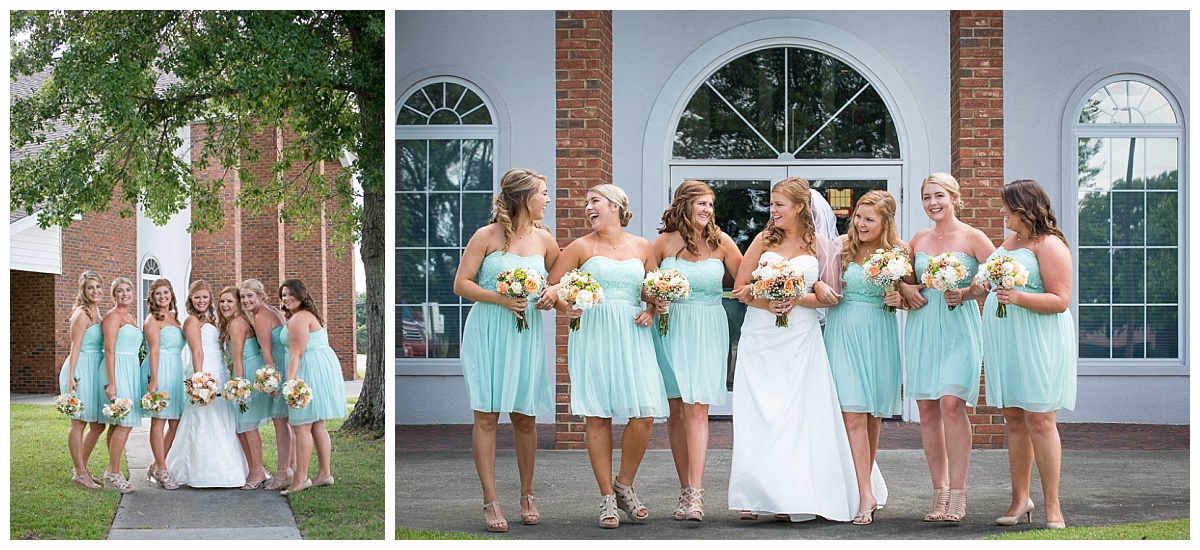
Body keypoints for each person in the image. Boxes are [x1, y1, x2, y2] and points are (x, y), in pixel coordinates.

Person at [727, 177, 882, 523]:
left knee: (794, 416)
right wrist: (770, 303)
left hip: (800, 338)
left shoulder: (823, 246)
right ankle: (755, 491)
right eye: (772, 204)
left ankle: (791, 494)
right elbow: (741, 287)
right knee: (759, 412)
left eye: (779, 204)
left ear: (800, 207)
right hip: (761, 336)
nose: (773, 210)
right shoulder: (763, 239)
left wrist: (794, 299)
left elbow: (830, 297)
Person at [548, 183, 668, 529]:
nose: (588, 207)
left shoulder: (643, 246)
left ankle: (624, 484)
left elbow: (652, 287)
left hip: (633, 332)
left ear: (615, 205)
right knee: (597, 415)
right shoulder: (580, 247)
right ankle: (606, 499)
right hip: (593, 332)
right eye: (586, 203)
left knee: (644, 414)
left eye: (594, 201)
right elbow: (553, 287)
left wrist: (651, 307)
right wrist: (566, 306)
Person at [453, 168, 559, 532]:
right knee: (486, 416)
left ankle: (527, 495)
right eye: (543, 193)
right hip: (488, 330)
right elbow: (461, 284)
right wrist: (500, 298)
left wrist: (551, 296)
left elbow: (559, 282)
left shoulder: (545, 239)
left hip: (525, 333)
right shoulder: (486, 236)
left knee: (524, 416)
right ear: (523, 197)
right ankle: (490, 499)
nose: (548, 199)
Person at [899, 173, 994, 522]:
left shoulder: (973, 237)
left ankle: (959, 492)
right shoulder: (919, 238)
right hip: (923, 327)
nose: (932, 203)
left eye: (938, 195)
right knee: (927, 409)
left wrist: (969, 292)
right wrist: (906, 288)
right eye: (926, 197)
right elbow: (904, 280)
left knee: (952, 405)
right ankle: (938, 493)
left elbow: (997, 273)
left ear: (955, 197)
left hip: (959, 326)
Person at [982, 179, 1076, 529]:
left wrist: (1018, 298)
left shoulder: (1050, 245)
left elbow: (1060, 299)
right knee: (1015, 419)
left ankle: (1053, 505)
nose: (1002, 211)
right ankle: (1020, 499)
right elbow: (990, 279)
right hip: (1007, 337)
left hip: (1039, 338)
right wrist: (970, 289)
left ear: (1024, 207)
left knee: (1039, 418)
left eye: (1006, 205)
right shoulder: (1011, 241)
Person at [648, 180, 742, 522]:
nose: (708, 211)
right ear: (684, 204)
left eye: (711, 205)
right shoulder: (661, 244)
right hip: (671, 327)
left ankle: (697, 495)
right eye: (702, 204)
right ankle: (684, 488)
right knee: (676, 410)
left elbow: (745, 280)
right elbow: (644, 287)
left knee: (697, 409)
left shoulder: (721, 242)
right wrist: (654, 299)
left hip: (708, 327)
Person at [822, 190, 901, 524]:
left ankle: (861, 489)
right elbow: (820, 284)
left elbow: (912, 296)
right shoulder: (840, 246)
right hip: (843, 332)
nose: (861, 224)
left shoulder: (898, 253)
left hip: (879, 334)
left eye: (870, 219)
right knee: (852, 414)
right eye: (858, 217)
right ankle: (864, 495)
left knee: (871, 417)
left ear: (885, 222)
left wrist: (901, 298)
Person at [165, 280, 249, 487]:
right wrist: (200, 380)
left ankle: (226, 470)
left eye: (204, 297)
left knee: (222, 420)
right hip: (204, 372)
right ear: (190, 299)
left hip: (219, 371)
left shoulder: (211, 319)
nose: (201, 301)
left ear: (209, 298)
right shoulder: (192, 321)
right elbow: (197, 352)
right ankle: (195, 472)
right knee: (202, 419)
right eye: (197, 297)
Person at [279, 278, 347, 495]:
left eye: (290, 294)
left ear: (301, 295)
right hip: (319, 365)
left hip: (310, 369)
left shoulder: (300, 318)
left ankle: (301, 478)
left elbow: (296, 354)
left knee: (302, 426)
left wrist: (290, 384)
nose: (286, 298)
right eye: (283, 295)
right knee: (317, 425)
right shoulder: (304, 315)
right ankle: (324, 474)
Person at [241, 278, 296, 491]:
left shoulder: (262, 316)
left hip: (278, 368)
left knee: (281, 422)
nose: (245, 300)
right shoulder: (272, 310)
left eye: (249, 296)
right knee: (284, 421)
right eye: (243, 296)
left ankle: (283, 473)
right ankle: (289, 467)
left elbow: (267, 351)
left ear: (260, 296)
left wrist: (272, 381)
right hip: (284, 363)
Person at [217, 285, 270, 489]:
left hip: (246, 372)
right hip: (245, 371)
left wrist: (240, 387)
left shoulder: (237, 324)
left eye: (230, 301)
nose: (225, 305)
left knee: (248, 425)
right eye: (222, 301)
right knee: (242, 427)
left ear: (238, 304)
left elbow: (237, 359)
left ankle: (257, 472)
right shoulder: (234, 322)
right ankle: (254, 469)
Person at [59, 270, 108, 489]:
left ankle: (82, 468)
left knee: (98, 425)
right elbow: (75, 347)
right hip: (80, 369)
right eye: (90, 287)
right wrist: (70, 379)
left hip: (95, 370)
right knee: (78, 422)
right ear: (83, 290)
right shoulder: (81, 314)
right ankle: (79, 473)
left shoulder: (98, 313)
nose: (95, 291)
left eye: (98, 287)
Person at [140, 278, 185, 490]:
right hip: (160, 369)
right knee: (159, 421)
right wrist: (154, 379)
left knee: (175, 423)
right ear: (152, 297)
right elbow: (154, 350)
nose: (162, 297)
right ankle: (162, 469)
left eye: (166, 293)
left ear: (171, 295)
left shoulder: (175, 318)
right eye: (158, 293)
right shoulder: (152, 320)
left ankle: (156, 465)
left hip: (175, 370)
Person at [99, 277, 143, 493]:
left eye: (127, 290)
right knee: (124, 422)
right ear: (113, 295)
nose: (124, 294)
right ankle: (113, 472)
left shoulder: (131, 317)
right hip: (117, 370)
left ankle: (113, 470)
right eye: (119, 291)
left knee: (119, 423)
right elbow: (109, 350)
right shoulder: (112, 316)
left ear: (133, 293)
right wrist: (112, 383)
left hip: (131, 370)